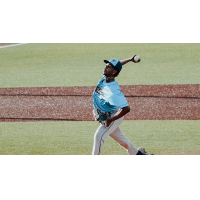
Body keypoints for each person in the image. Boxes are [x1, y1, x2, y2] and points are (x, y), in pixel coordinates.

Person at [92, 55, 153, 155]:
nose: (105, 67)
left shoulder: (114, 90)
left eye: (109, 67)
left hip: (113, 116)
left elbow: (126, 109)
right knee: (121, 139)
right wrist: (130, 59)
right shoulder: (105, 78)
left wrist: (111, 120)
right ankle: (138, 154)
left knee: (99, 135)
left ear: (114, 72)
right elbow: (117, 65)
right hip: (107, 114)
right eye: (106, 65)